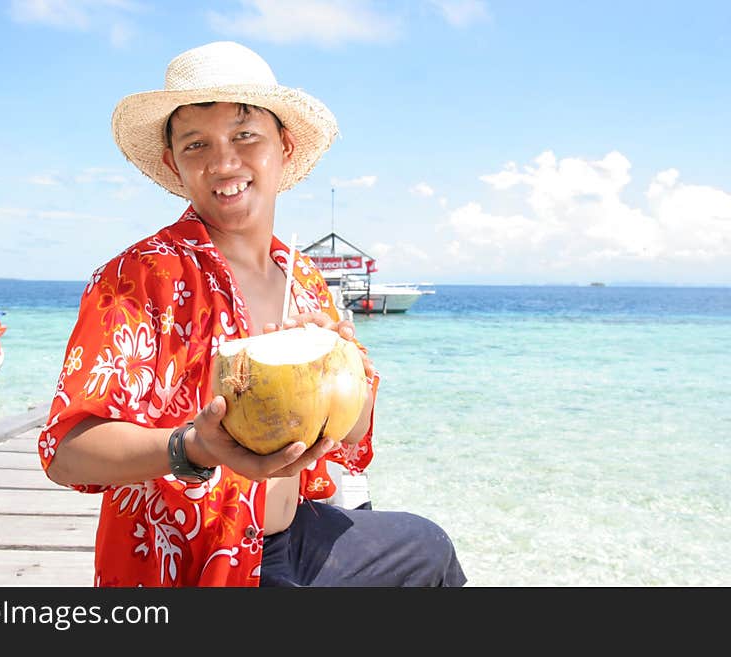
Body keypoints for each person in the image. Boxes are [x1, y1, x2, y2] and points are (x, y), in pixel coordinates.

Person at [38, 41, 466, 587]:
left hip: (293, 538)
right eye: (197, 145)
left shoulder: (304, 279)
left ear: (283, 148)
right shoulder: (139, 278)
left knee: (426, 550)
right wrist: (189, 446)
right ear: (174, 164)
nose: (223, 163)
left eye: (245, 136)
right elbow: (65, 452)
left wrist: (345, 370)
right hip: (193, 562)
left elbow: (352, 434)